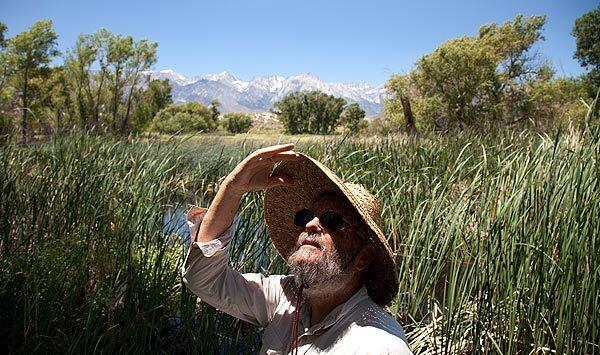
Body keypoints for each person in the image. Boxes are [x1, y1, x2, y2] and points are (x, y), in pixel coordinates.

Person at [182, 144, 412, 354]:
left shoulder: (382, 345)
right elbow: (204, 280)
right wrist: (233, 188)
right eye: (305, 216)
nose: (311, 224)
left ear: (363, 257)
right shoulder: (285, 295)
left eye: (332, 220)